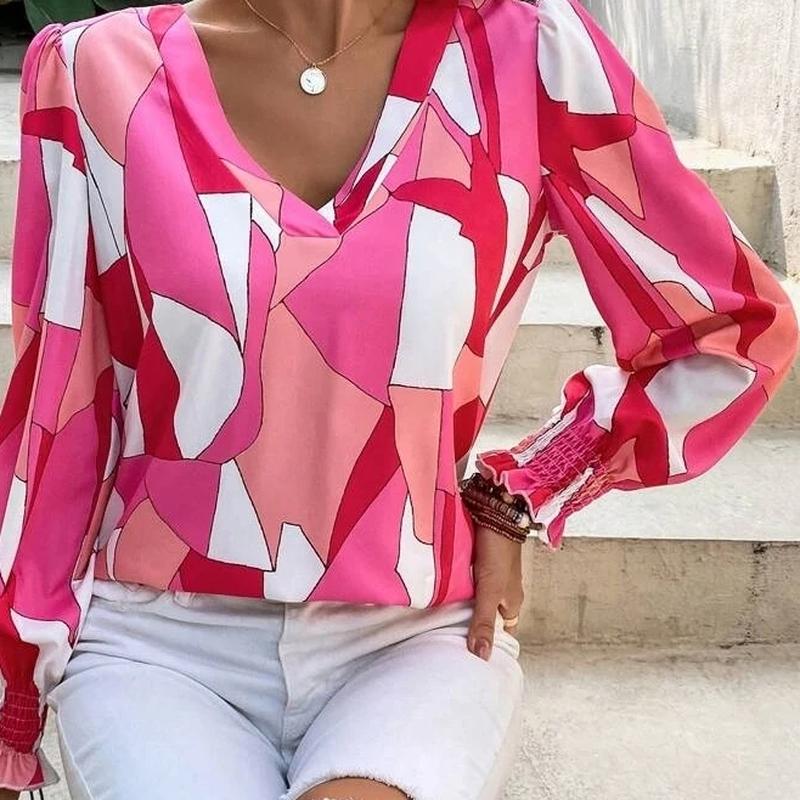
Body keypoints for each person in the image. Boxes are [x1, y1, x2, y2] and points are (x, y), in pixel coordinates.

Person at [0, 0, 797, 797]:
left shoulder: (529, 59)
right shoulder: (95, 72)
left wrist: (524, 490)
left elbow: (733, 327)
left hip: (416, 635)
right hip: (156, 639)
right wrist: (13, 697)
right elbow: (55, 409)